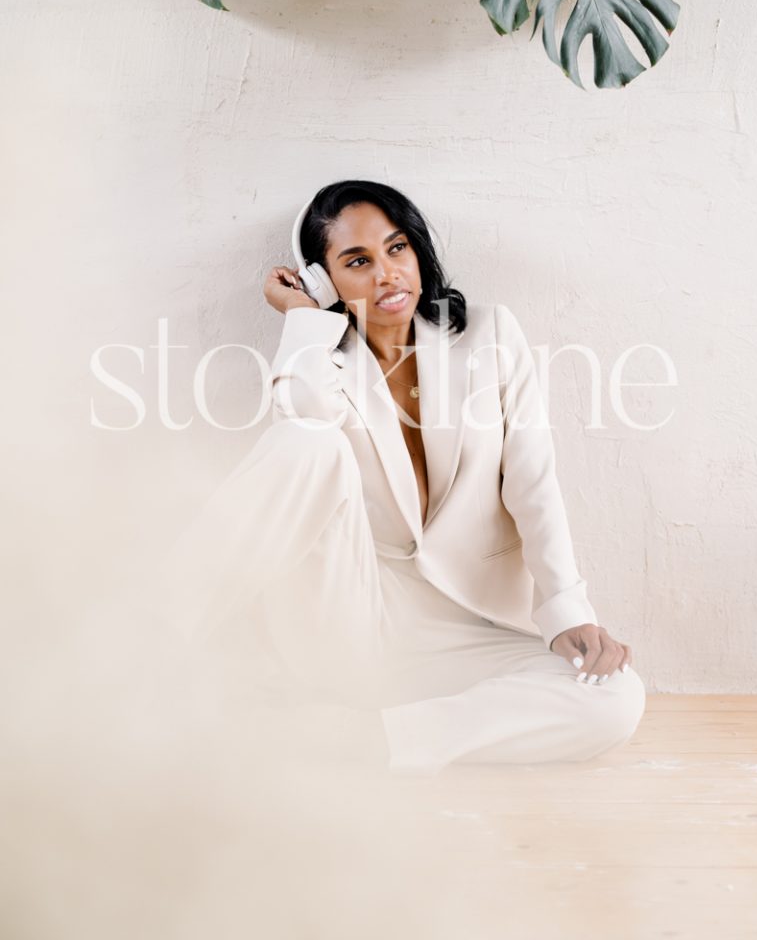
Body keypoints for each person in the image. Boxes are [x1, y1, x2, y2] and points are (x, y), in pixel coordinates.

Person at [166, 180, 646, 774]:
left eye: (397, 249)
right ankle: (155, 653)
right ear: (325, 279)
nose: (387, 273)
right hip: (349, 617)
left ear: (418, 249)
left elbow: (534, 480)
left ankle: (370, 741)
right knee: (307, 443)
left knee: (616, 697)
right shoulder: (328, 360)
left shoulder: (490, 336)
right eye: (358, 261)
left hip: (459, 630)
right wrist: (303, 319)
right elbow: (305, 418)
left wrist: (568, 610)